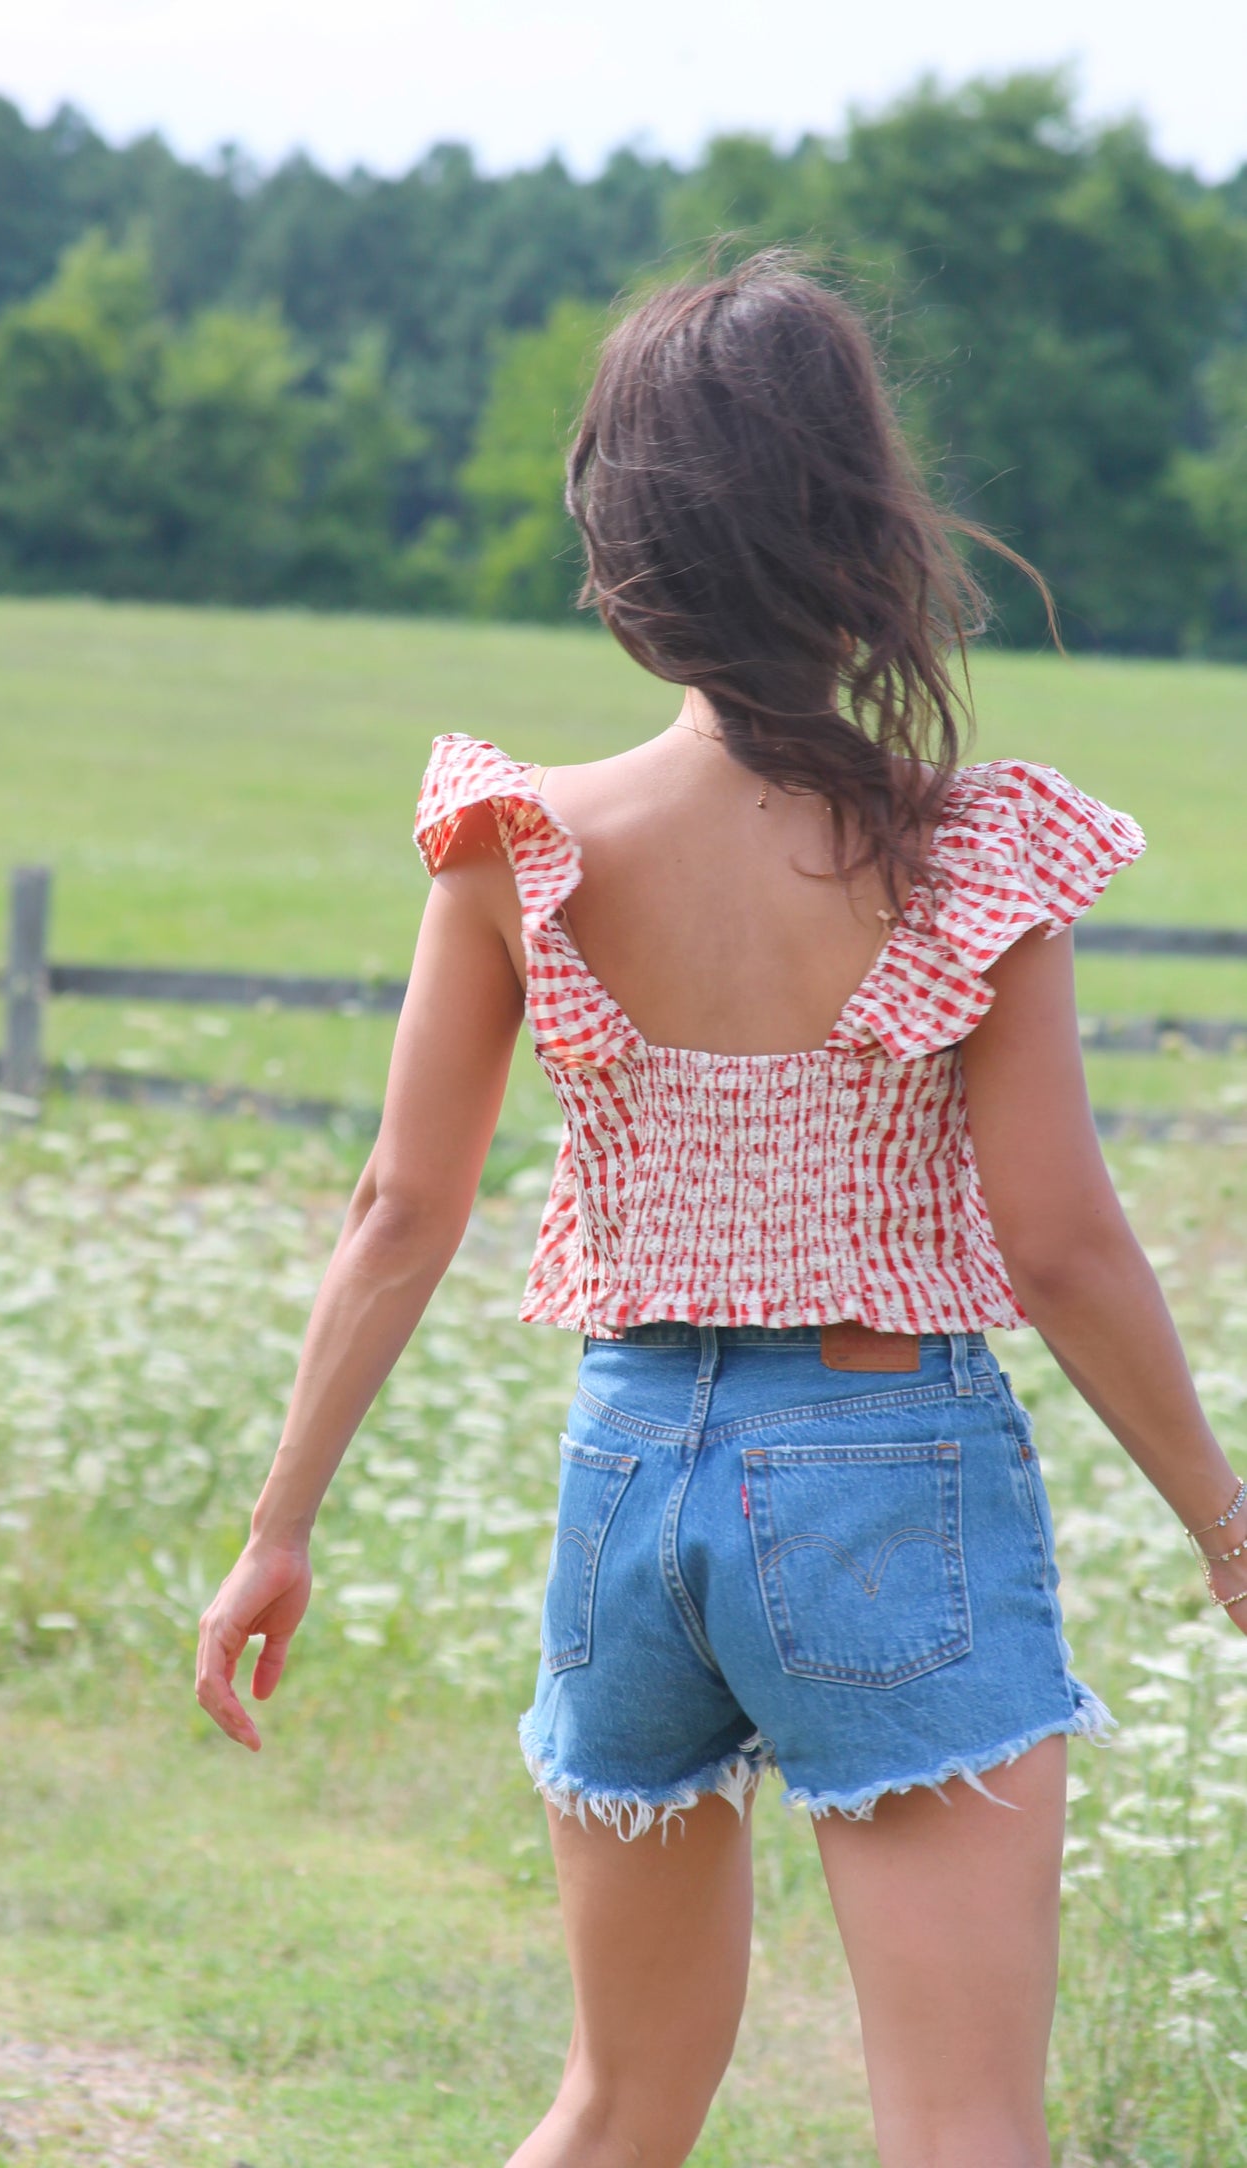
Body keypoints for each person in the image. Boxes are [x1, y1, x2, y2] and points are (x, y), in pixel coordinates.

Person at [195, 252, 1246, 2168]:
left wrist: (279, 1529)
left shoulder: (524, 845)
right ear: (861, 518)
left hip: (628, 1479)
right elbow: (1059, 1238)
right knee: (959, 2133)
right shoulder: (967, 849)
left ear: (627, 537)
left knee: (612, 2107)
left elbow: (397, 1211)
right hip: (886, 1479)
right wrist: (1225, 1521)